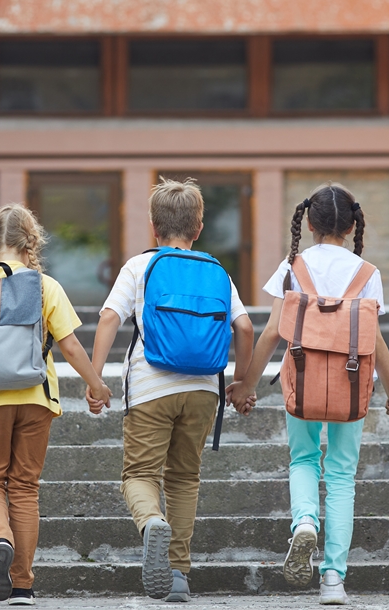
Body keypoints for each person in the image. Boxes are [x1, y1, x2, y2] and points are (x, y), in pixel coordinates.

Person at [227, 183, 389, 606]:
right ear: (352, 228)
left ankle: (304, 524)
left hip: (302, 378)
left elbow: (274, 331)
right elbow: (376, 342)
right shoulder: (367, 273)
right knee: (341, 475)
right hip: (352, 387)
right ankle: (333, 579)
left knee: (303, 458)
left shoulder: (294, 267)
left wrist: (246, 385)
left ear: (309, 224)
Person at [0, 205, 113, 605]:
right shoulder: (44, 285)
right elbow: (69, 345)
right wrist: (97, 385)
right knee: (25, 487)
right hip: (36, 397)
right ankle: (22, 585)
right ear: (30, 242)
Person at [88, 178, 254, 602]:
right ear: (198, 227)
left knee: (140, 475)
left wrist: (96, 378)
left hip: (150, 385)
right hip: (204, 389)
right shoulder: (216, 270)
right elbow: (245, 326)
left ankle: (151, 523)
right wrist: (243, 381)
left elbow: (109, 318)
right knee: (184, 479)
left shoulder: (140, 266)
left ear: (152, 226)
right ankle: (178, 574)